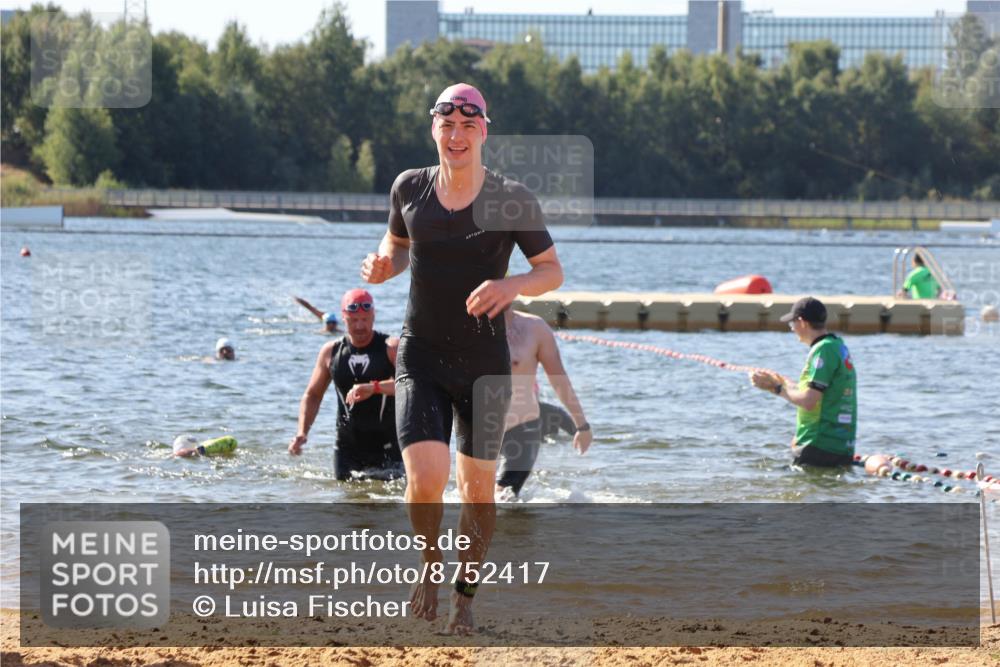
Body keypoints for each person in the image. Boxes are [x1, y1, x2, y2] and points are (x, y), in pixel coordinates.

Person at [360, 82, 563, 634]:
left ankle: (465, 595)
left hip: (483, 362)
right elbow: (396, 247)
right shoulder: (409, 187)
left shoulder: (511, 198)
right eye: (446, 125)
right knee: (426, 478)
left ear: (483, 133)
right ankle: (429, 565)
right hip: (421, 354)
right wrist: (383, 266)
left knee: (477, 491)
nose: (456, 135)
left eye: (467, 126)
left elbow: (551, 270)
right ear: (434, 130)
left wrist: (511, 285)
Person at [288, 289, 402, 481]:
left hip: (388, 445)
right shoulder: (331, 352)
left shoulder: (391, 348)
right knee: (346, 506)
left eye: (365, 319)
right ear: (343, 318)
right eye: (353, 320)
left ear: (373, 316)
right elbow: (313, 395)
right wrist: (302, 432)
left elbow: (411, 386)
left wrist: (374, 388)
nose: (359, 326)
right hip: (346, 447)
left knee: (387, 506)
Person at [496, 307, 592, 499]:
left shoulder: (534, 328)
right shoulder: (463, 325)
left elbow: (559, 379)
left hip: (521, 427)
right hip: (476, 431)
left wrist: (582, 425)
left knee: (503, 500)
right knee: (472, 499)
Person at [750, 297, 857, 467]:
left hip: (818, 445)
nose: (792, 330)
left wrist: (776, 388)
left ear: (802, 322)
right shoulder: (837, 345)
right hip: (840, 446)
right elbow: (819, 393)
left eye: (792, 325)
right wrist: (782, 383)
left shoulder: (823, 350)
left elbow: (808, 401)